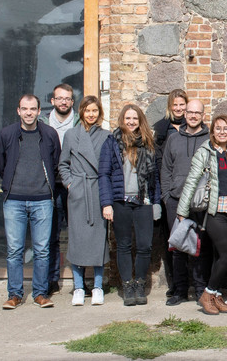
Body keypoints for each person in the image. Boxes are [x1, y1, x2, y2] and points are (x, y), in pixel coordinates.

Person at [0, 94, 61, 309]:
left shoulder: (49, 134)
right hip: (14, 200)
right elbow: (0, 163)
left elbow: (56, 162)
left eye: (33, 109)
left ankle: (40, 293)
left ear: (39, 111)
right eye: (25, 109)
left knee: (42, 250)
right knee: (15, 249)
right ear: (18, 111)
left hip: (42, 199)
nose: (29, 113)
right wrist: (12, 184)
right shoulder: (7, 134)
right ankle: (14, 294)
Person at [176, 115, 227, 316]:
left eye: (226, 129)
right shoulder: (205, 152)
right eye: (218, 128)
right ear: (212, 131)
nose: (222, 132)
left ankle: (215, 295)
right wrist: (182, 211)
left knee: (219, 256)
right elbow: (192, 181)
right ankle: (207, 294)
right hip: (214, 211)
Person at [98, 103, 160, 307]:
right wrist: (106, 203)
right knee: (123, 246)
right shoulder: (112, 142)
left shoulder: (148, 143)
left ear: (140, 120)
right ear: (122, 120)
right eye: (128, 118)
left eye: (135, 118)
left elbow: (155, 177)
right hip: (120, 202)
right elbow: (104, 174)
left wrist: (156, 203)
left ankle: (140, 284)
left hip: (143, 201)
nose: (131, 122)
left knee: (144, 245)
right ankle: (127, 286)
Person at [57, 95, 110, 306]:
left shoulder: (106, 136)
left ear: (99, 113)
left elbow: (109, 166)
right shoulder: (71, 135)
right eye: (87, 110)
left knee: (98, 241)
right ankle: (78, 287)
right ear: (81, 112)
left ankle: (97, 286)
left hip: (97, 192)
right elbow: (63, 164)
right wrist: (71, 184)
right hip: (79, 193)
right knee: (77, 240)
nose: (91, 114)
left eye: (94, 111)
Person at [160, 99, 210, 306]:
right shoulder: (173, 139)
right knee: (178, 246)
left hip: (200, 202)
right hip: (176, 199)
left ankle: (200, 290)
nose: (192, 116)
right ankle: (180, 290)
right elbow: (166, 169)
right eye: (190, 112)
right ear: (184, 114)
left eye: (197, 113)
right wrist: (166, 195)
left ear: (203, 115)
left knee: (201, 247)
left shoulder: (210, 138)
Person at [40, 83, 79, 296]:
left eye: (67, 98)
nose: (63, 101)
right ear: (52, 101)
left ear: (72, 102)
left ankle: (80, 280)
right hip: (51, 184)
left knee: (78, 232)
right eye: (59, 98)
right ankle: (52, 278)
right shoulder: (42, 123)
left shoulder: (80, 122)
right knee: (51, 233)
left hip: (74, 184)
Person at [152, 88, 186, 300]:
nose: (179, 108)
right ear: (170, 107)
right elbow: (157, 162)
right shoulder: (161, 128)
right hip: (169, 190)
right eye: (175, 105)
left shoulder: (193, 127)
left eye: (182, 104)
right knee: (171, 240)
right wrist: (163, 193)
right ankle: (175, 283)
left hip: (188, 190)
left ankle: (190, 283)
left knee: (191, 239)